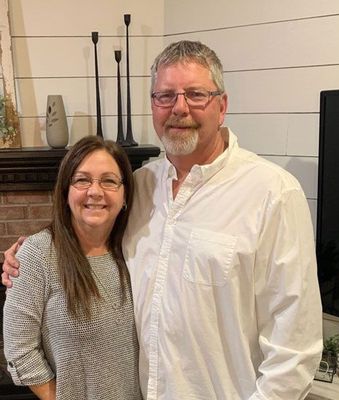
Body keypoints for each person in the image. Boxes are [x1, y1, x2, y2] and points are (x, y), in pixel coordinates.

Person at [2, 41, 322, 399]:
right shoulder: (140, 187)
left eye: (196, 94)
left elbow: (296, 348)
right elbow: (88, 232)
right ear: (153, 105)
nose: (179, 108)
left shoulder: (272, 193)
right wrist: (27, 254)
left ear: (222, 106)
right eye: (165, 96)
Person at [3, 136, 142, 400]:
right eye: (82, 180)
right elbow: (19, 348)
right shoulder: (39, 254)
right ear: (65, 191)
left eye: (109, 180)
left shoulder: (136, 249)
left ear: (125, 196)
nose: (95, 191)